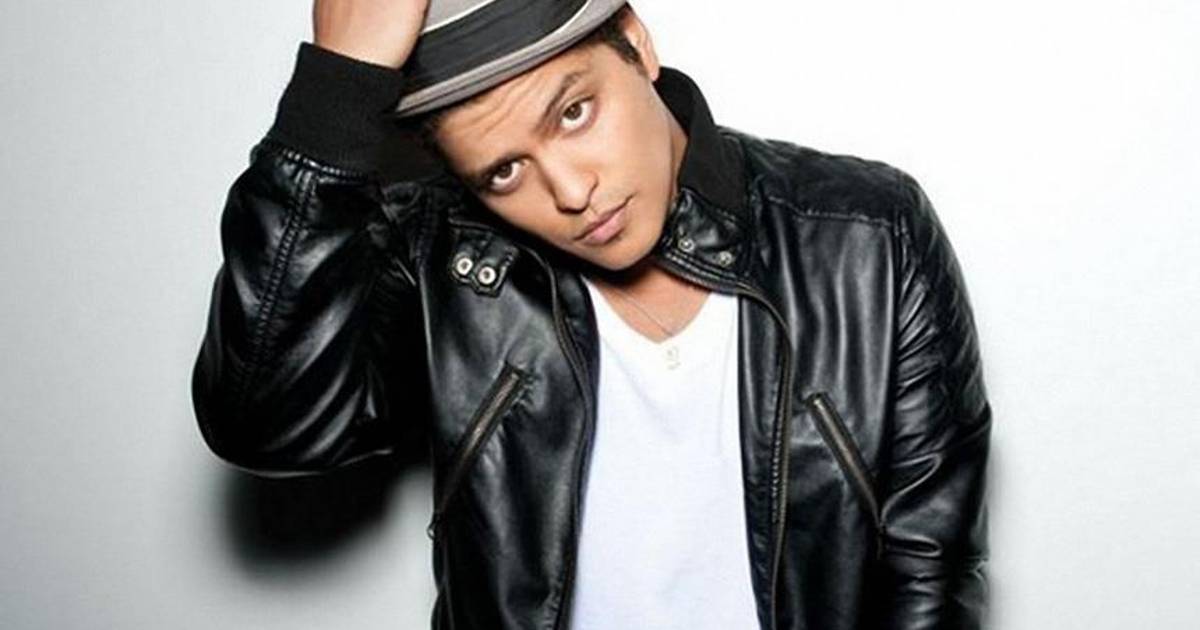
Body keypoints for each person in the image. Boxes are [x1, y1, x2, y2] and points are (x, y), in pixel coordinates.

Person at [191, 0, 993, 628]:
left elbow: (928, 569)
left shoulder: (866, 236)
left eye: (573, 113)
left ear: (637, 43)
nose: (572, 192)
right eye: (505, 172)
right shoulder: (447, 265)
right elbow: (267, 424)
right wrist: (333, 96)